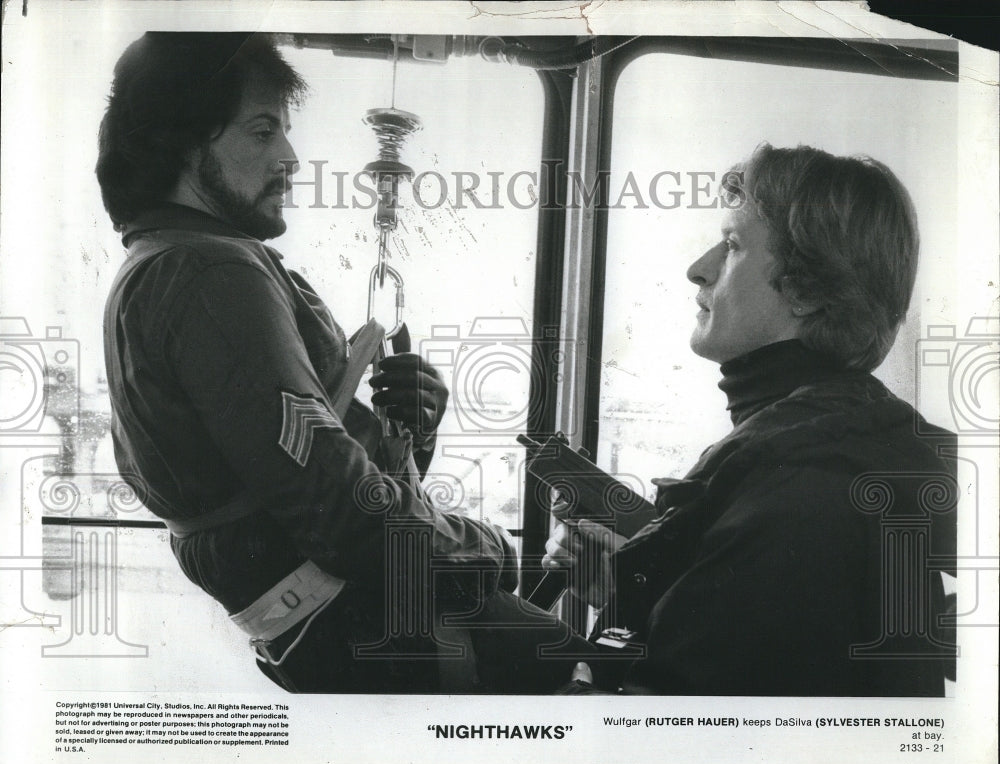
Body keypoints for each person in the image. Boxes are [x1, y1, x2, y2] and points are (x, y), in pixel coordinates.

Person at [98, 32, 583, 693]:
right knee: (571, 660)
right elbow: (344, 514)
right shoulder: (212, 274)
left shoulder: (164, 262)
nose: (291, 157)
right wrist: (488, 550)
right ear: (185, 144)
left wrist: (412, 431)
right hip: (357, 617)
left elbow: (299, 473)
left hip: (317, 623)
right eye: (262, 131)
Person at [544, 144, 957, 696]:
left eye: (733, 245)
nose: (699, 269)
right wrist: (630, 589)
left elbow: (655, 739)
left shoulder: (798, 486)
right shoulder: (836, 442)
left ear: (806, 290)